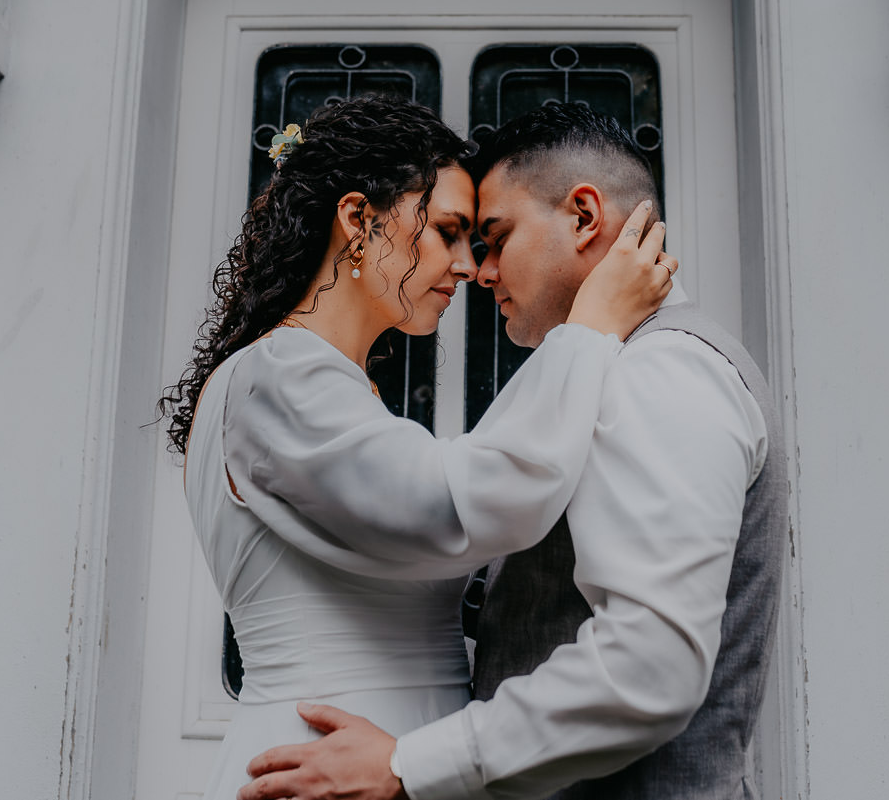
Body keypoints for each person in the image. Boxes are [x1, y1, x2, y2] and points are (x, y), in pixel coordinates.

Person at [235, 102, 787, 800]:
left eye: (494, 238)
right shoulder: (608, 369)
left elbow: (649, 664)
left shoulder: (662, 373)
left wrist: (410, 763)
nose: (480, 271)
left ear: (584, 217)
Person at [158, 94, 676, 800]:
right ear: (358, 220)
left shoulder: (330, 390)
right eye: (447, 230)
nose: (468, 265)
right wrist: (590, 328)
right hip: (321, 763)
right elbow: (461, 504)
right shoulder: (279, 376)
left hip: (386, 759)